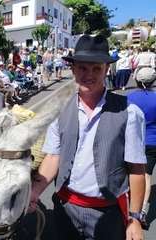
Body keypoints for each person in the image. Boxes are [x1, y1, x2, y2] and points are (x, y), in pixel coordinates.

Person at [29, 35, 146, 240]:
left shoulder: (129, 112)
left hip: (108, 213)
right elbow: (53, 157)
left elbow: (136, 168)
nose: (89, 74)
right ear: (73, 69)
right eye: (83, 68)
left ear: (106, 70)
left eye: (96, 69)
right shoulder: (61, 109)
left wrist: (134, 219)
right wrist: (35, 191)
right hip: (66, 208)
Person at [128, 57, 156, 229]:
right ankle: (142, 210)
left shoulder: (130, 98)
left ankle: (138, 211)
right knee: (145, 176)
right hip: (154, 141)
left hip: (139, 141)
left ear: (137, 79)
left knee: (141, 175)